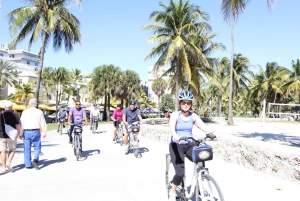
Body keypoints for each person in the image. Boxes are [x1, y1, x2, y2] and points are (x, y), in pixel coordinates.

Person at [168, 90, 214, 201]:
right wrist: (175, 135)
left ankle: (200, 181)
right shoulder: (175, 115)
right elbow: (171, 128)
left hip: (189, 144)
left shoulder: (193, 116)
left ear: (190, 104)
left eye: (188, 103)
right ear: (180, 103)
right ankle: (173, 191)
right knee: (180, 173)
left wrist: (212, 133)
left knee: (200, 157)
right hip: (176, 145)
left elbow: (203, 126)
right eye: (184, 103)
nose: (186, 105)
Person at [20, 98, 47, 170]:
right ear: (36, 104)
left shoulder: (25, 112)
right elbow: (42, 123)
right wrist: (44, 132)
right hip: (36, 131)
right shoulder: (39, 112)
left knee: (27, 148)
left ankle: (28, 164)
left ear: (29, 103)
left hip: (27, 131)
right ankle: (35, 159)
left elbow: (21, 123)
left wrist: (20, 133)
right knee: (37, 147)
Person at [0, 101, 20, 173]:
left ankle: (3, 167)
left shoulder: (0, 114)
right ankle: (8, 162)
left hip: (1, 135)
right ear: (11, 106)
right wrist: (18, 134)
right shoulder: (14, 114)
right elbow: (18, 126)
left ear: (4, 107)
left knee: (2, 151)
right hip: (11, 135)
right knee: (12, 150)